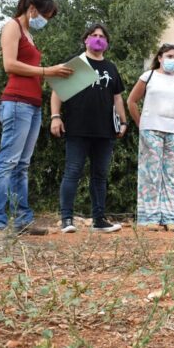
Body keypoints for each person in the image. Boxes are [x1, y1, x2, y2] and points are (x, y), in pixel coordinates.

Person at [0, 0, 73, 235]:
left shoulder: (29, 35)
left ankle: (23, 220)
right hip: (16, 102)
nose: (45, 21)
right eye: (45, 15)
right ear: (32, 8)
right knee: (7, 163)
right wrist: (48, 71)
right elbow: (9, 65)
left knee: (21, 165)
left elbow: (32, 70)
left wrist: (57, 77)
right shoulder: (12, 27)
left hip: (33, 104)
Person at [50, 24, 126, 233]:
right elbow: (57, 92)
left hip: (105, 130)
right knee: (73, 172)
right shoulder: (76, 64)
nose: (98, 39)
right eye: (94, 35)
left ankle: (99, 220)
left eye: (102, 36)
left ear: (107, 43)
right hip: (77, 128)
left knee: (100, 175)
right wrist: (55, 117)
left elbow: (117, 97)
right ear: (86, 40)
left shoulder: (111, 68)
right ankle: (67, 219)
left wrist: (123, 121)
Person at [127, 44, 174, 230]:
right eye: (169, 56)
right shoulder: (149, 76)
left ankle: (170, 218)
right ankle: (149, 218)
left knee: (172, 175)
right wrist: (141, 124)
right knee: (150, 173)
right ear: (160, 58)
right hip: (151, 130)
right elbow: (131, 101)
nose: (172, 60)